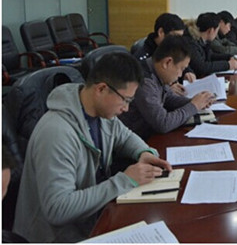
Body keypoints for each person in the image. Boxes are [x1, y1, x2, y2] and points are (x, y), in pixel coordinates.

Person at [13, 52, 172, 243]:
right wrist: (124, 180)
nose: (126, 108)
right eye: (126, 100)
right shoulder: (56, 133)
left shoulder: (100, 113)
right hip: (56, 236)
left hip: (90, 219)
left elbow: (125, 136)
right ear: (101, 89)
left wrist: (144, 152)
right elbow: (57, 209)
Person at [120, 35, 215, 140]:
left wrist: (197, 101)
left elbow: (169, 99)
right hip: (139, 139)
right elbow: (163, 123)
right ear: (167, 62)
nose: (180, 75)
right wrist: (194, 105)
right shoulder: (145, 82)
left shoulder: (156, 71)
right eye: (181, 69)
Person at [133, 12, 196, 94]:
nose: (178, 41)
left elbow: (178, 62)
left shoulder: (173, 48)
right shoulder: (142, 55)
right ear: (161, 32)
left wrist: (187, 72)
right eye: (175, 36)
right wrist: (168, 88)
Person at [185, 12, 237, 77]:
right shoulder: (191, 43)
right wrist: (228, 65)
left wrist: (228, 57)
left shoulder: (204, 41)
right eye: (217, 31)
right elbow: (202, 67)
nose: (216, 34)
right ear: (211, 30)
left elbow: (210, 56)